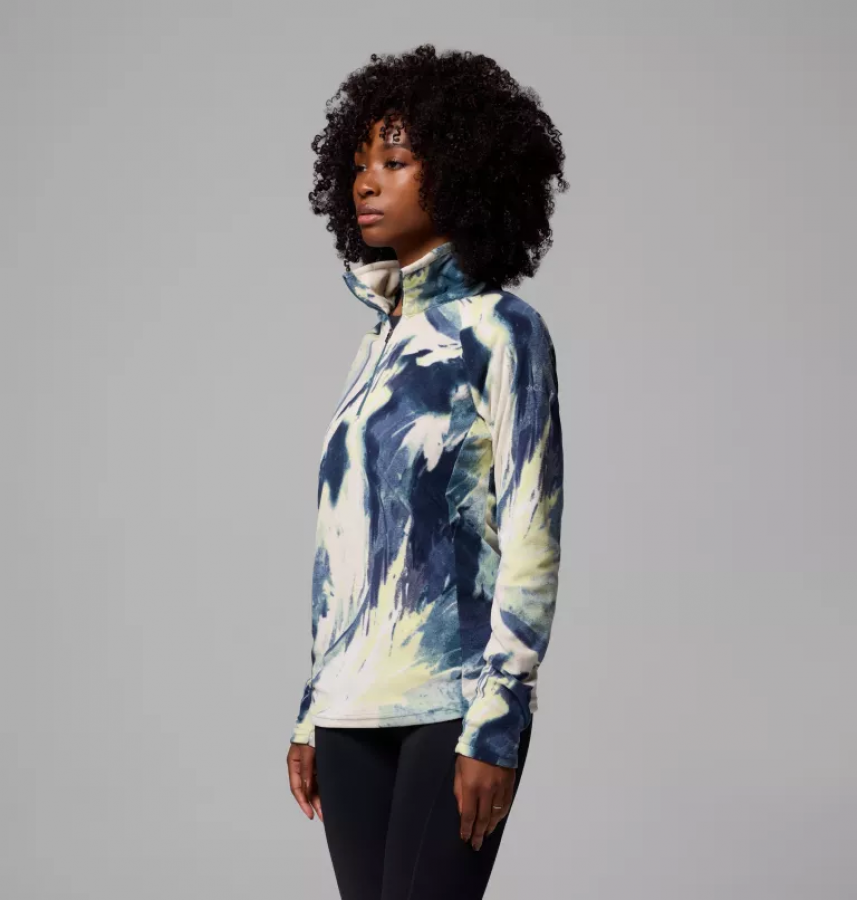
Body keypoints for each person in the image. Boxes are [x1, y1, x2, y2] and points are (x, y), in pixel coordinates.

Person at [286, 44, 568, 900]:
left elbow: (530, 531)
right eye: (359, 165)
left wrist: (500, 718)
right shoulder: (375, 345)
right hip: (349, 710)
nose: (366, 183)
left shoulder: (501, 330)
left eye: (395, 162)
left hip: (453, 702)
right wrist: (312, 707)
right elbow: (343, 544)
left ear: (461, 174)